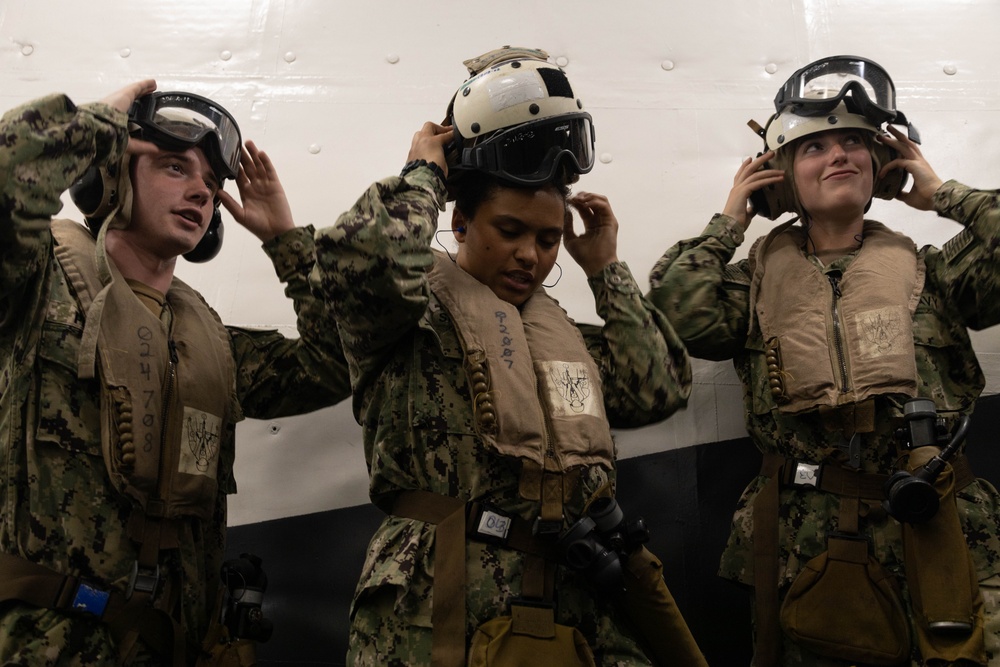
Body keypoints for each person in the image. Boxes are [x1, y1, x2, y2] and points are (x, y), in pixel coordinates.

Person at [309, 47, 703, 666]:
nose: (532, 256)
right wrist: (423, 176)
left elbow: (657, 389)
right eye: (511, 231)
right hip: (434, 609)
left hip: (571, 607)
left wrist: (605, 270)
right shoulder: (404, 319)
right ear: (459, 223)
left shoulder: (558, 335)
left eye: (548, 240)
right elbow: (364, 264)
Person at [648, 54, 1000, 666]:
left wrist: (944, 194)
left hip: (940, 532)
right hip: (805, 547)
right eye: (815, 148)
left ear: (882, 166)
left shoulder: (936, 273)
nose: (838, 155)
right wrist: (730, 219)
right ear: (781, 177)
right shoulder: (749, 285)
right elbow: (677, 312)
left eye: (853, 145)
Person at [0, 80, 351, 665]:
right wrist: (93, 127)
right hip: (48, 646)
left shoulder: (207, 337)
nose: (200, 193)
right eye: (172, 167)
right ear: (110, 174)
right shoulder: (36, 286)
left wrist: (286, 242)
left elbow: (335, 363)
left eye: (211, 185)